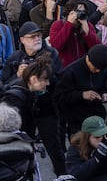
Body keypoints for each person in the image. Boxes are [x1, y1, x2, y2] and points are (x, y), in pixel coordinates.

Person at [1, 48, 66, 176]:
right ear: (34, 79)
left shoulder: (28, 92)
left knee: (55, 150)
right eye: (45, 80)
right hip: (15, 149)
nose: (47, 84)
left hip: (27, 133)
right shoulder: (16, 97)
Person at [54, 44, 107, 136]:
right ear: (88, 59)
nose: (98, 71)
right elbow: (59, 97)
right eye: (95, 68)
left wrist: (106, 93)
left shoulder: (101, 68)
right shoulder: (70, 72)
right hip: (77, 121)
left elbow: (105, 85)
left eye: (100, 69)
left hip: (98, 117)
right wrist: (81, 95)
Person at [49, 0, 101, 67]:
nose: (81, 14)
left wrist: (87, 32)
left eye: (83, 12)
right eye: (78, 11)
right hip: (65, 68)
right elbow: (56, 45)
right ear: (70, 12)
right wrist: (69, 24)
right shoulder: (58, 25)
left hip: (82, 67)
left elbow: (96, 48)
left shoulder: (87, 25)